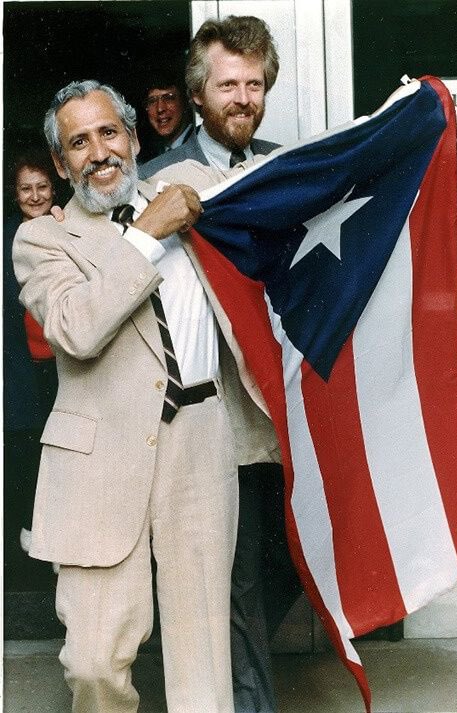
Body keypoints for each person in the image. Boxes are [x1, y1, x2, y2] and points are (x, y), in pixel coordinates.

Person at [13, 79, 279, 713]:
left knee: (203, 661)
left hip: (200, 440)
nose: (99, 152)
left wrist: (393, 123)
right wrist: (145, 237)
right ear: (60, 163)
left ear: (133, 138)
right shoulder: (43, 241)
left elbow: (286, 178)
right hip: (98, 458)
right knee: (94, 661)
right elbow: (74, 328)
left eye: (109, 133)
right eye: (78, 142)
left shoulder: (188, 186)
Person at [139, 16, 302, 713]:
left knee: (292, 562)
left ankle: (234, 673)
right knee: (234, 583)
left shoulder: (290, 169)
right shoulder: (156, 182)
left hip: (283, 415)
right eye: (227, 84)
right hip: (214, 421)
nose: (242, 97)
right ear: (197, 95)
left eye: (254, 84)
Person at [4, 151, 59, 588]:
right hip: (22, 370)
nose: (35, 195)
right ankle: (33, 549)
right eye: (26, 188)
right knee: (27, 455)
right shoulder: (7, 238)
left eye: (42, 186)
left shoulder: (65, 228)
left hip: (64, 365)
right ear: (15, 194)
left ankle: (59, 544)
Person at [136, 67, 194, 165]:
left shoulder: (199, 144)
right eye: (152, 101)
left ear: (185, 102)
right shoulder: (148, 156)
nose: (160, 108)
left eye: (168, 98)